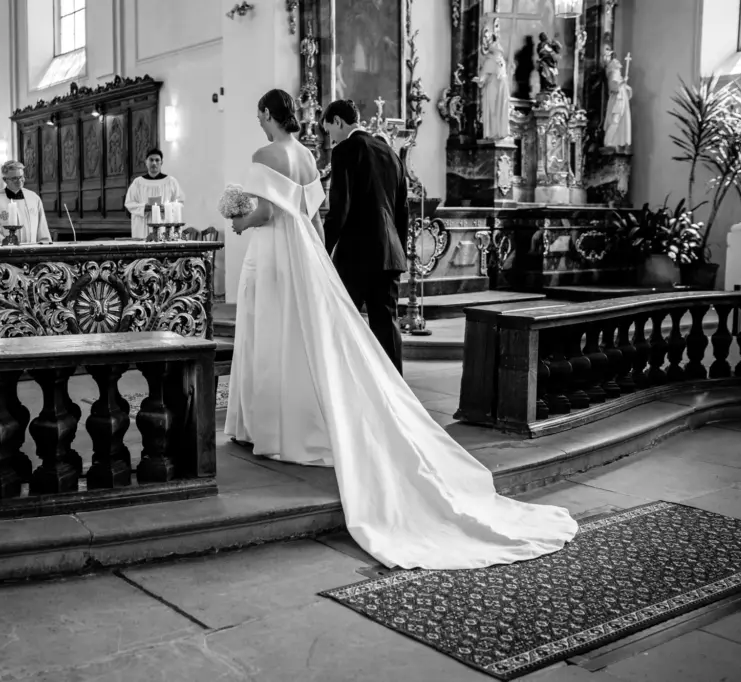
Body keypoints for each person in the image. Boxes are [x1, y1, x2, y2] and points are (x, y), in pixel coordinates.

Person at [225, 88, 577, 570]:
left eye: (259, 114)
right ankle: (386, 383)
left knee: (294, 335)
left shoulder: (299, 151)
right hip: (380, 249)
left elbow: (299, 211)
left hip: (318, 254)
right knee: (359, 329)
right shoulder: (351, 152)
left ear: (269, 114)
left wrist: (239, 219)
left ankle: (284, 417)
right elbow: (363, 204)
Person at [321, 99, 411, 374]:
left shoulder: (345, 150)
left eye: (329, 131)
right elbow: (402, 210)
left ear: (338, 121)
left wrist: (322, 248)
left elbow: (340, 207)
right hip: (389, 253)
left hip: (356, 254)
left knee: (341, 320)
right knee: (387, 324)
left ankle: (346, 383)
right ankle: (396, 392)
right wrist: (400, 250)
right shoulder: (390, 152)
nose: (330, 138)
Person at [0, 161, 52, 245]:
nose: (19, 181)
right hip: (7, 253)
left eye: (21, 177)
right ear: (5, 180)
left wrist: (44, 245)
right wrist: (9, 247)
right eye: (14, 178)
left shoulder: (34, 198)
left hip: (32, 251)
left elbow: (42, 226)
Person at [124, 149, 185, 239]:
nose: (154, 163)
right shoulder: (138, 182)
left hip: (164, 223)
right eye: (151, 160)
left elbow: (180, 202)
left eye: (157, 160)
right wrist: (144, 207)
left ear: (162, 162)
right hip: (143, 224)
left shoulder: (170, 181)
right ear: (146, 162)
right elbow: (129, 203)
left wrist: (166, 207)